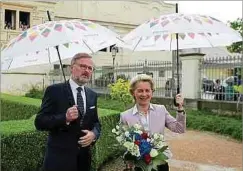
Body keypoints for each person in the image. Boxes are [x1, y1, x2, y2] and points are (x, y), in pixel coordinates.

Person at [35, 53, 101, 171]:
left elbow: (96, 123)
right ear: (72, 68)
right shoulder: (54, 90)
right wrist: (64, 118)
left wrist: (94, 134)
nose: (87, 70)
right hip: (59, 160)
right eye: (82, 66)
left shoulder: (92, 95)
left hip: (84, 160)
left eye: (90, 68)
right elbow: (39, 122)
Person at [120, 74, 186, 171]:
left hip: (160, 162)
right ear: (133, 93)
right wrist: (129, 162)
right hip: (139, 165)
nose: (144, 94)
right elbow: (124, 143)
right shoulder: (125, 116)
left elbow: (179, 129)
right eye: (140, 91)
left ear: (152, 92)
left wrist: (180, 107)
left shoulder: (161, 110)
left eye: (147, 90)